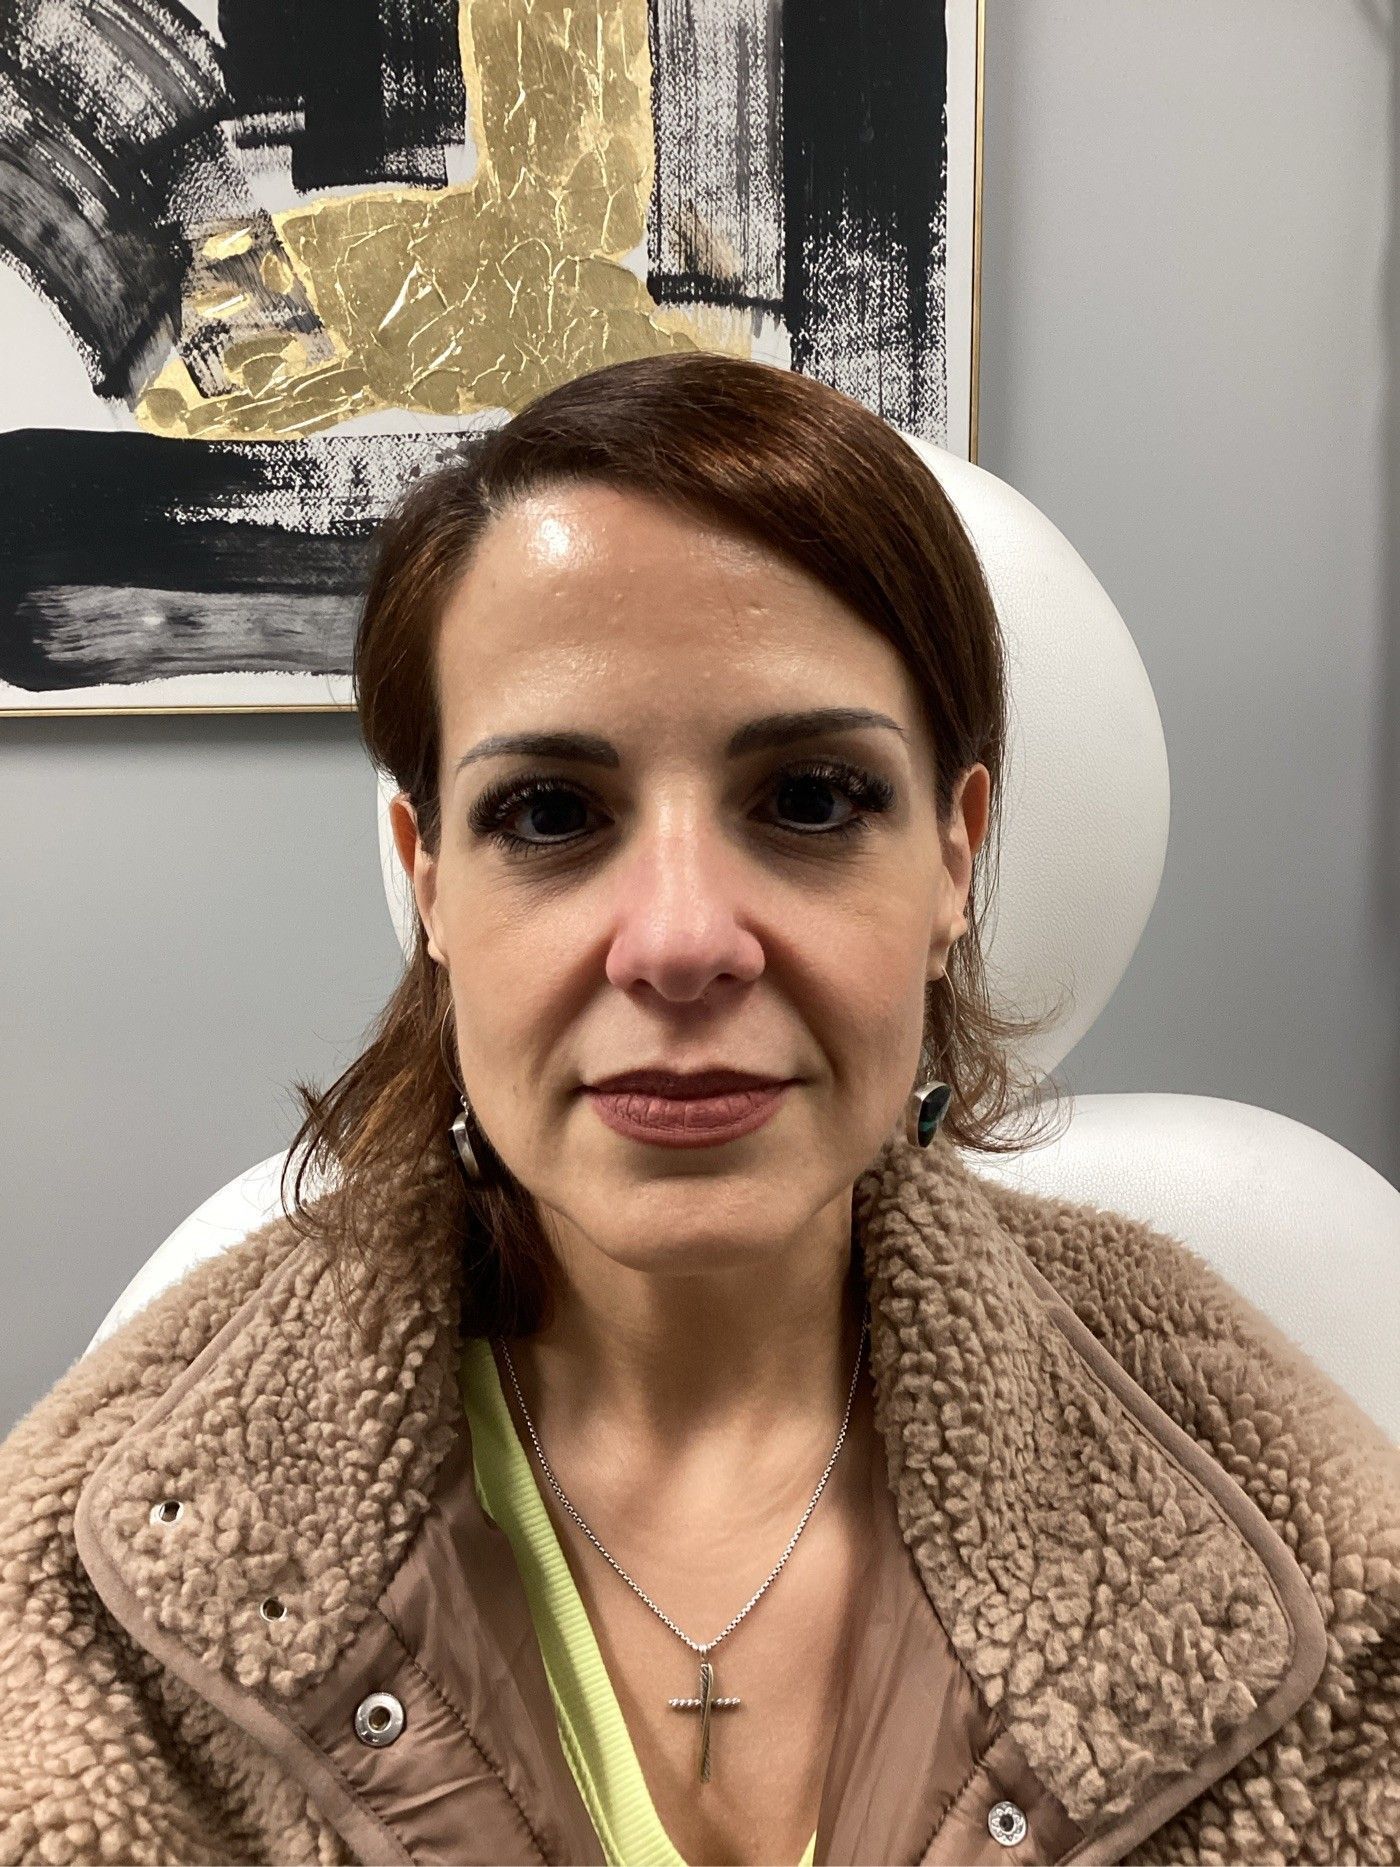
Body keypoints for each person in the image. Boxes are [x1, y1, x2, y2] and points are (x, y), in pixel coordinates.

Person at [1, 352, 1396, 1867]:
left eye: (809, 800)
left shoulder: (1291, 1535)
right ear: (429, 881)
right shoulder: (89, 1577)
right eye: (550, 813)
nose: (678, 943)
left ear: (953, 855)